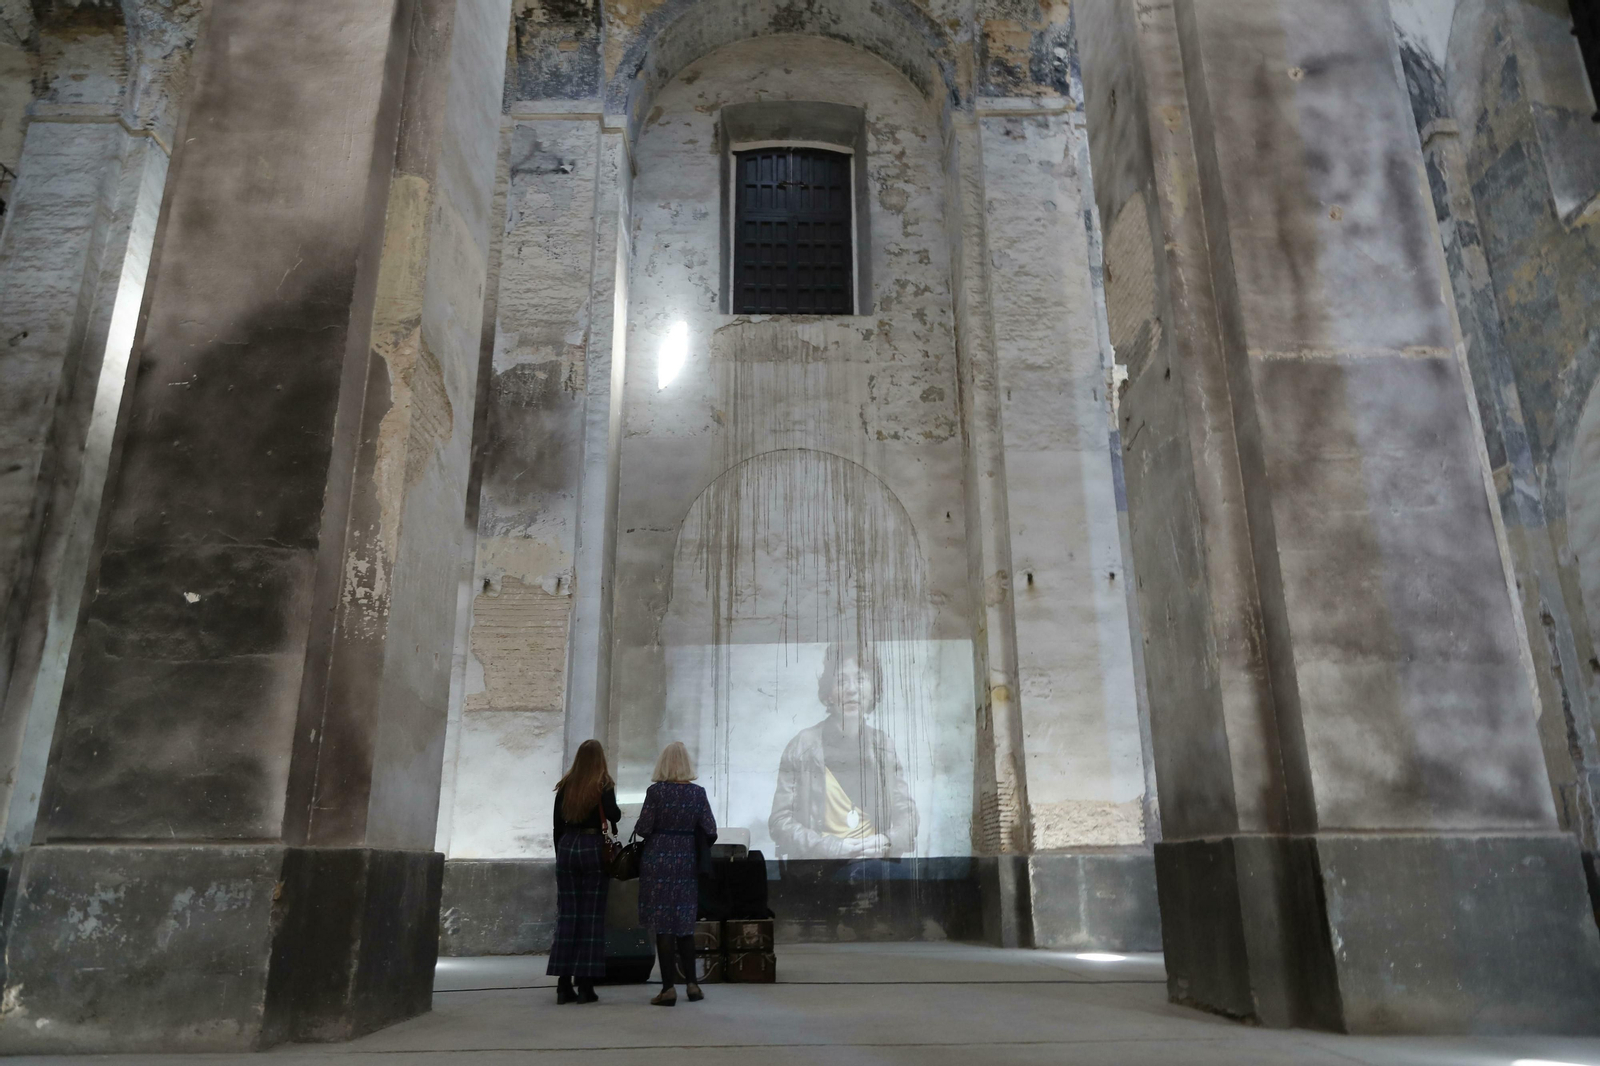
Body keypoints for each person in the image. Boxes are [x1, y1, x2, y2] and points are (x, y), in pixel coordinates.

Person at [768, 643, 917, 860]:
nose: (851, 689)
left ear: (873, 690)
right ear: (828, 694)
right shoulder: (802, 746)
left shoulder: (883, 747)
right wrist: (832, 848)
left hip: (874, 864)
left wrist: (886, 841)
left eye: (860, 679)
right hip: (822, 869)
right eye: (841, 681)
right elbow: (780, 822)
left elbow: (909, 816)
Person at [636, 741, 717, 1006]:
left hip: (658, 858)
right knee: (684, 923)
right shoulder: (698, 793)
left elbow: (644, 828)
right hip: (686, 860)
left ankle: (668, 988)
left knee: (663, 924)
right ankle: (692, 984)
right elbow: (710, 828)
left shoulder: (656, 792)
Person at [548, 739, 622, 1004]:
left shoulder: (566, 784)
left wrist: (561, 855)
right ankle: (586, 986)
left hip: (568, 847)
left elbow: (557, 825)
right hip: (593, 848)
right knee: (591, 917)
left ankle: (562, 984)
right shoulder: (603, 784)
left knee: (568, 916)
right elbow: (614, 815)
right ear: (600, 759)